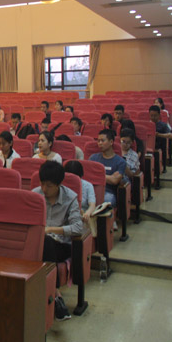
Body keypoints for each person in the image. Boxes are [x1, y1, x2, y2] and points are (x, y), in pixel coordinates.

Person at [32, 160, 82, 322]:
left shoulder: (70, 198)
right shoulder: (35, 195)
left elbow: (78, 228)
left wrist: (52, 229)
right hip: (38, 243)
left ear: (59, 184)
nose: (44, 189)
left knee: (47, 241)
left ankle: (53, 293)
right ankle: (56, 294)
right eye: (42, 184)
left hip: (61, 245)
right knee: (43, 242)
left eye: (49, 186)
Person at [89, 129, 128, 207]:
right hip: (91, 190)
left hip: (108, 192)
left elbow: (114, 180)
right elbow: (87, 175)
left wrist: (95, 175)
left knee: (107, 200)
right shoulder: (93, 158)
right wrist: (109, 177)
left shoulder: (120, 162)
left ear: (111, 142)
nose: (100, 143)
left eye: (102, 141)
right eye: (98, 141)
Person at [149, 105, 172, 174]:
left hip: (159, 145)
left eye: (155, 115)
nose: (153, 117)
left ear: (159, 115)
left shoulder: (163, 125)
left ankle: (162, 167)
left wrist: (158, 134)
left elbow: (170, 135)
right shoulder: (148, 124)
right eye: (151, 115)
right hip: (149, 145)